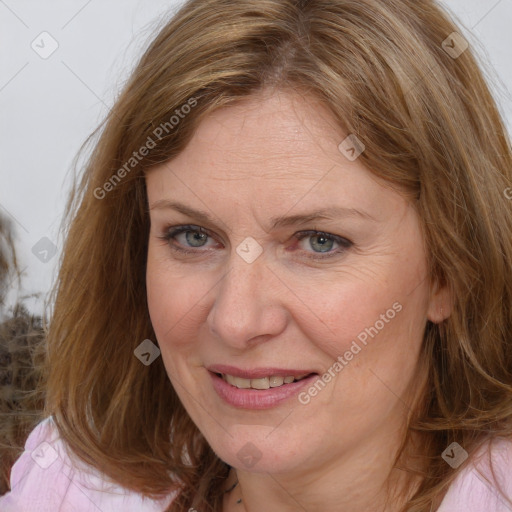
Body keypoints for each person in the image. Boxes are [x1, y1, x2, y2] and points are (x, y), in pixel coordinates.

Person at [1, 0, 512, 510]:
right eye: (193, 237)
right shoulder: (66, 487)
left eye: (319, 241)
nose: (236, 321)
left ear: (450, 270)